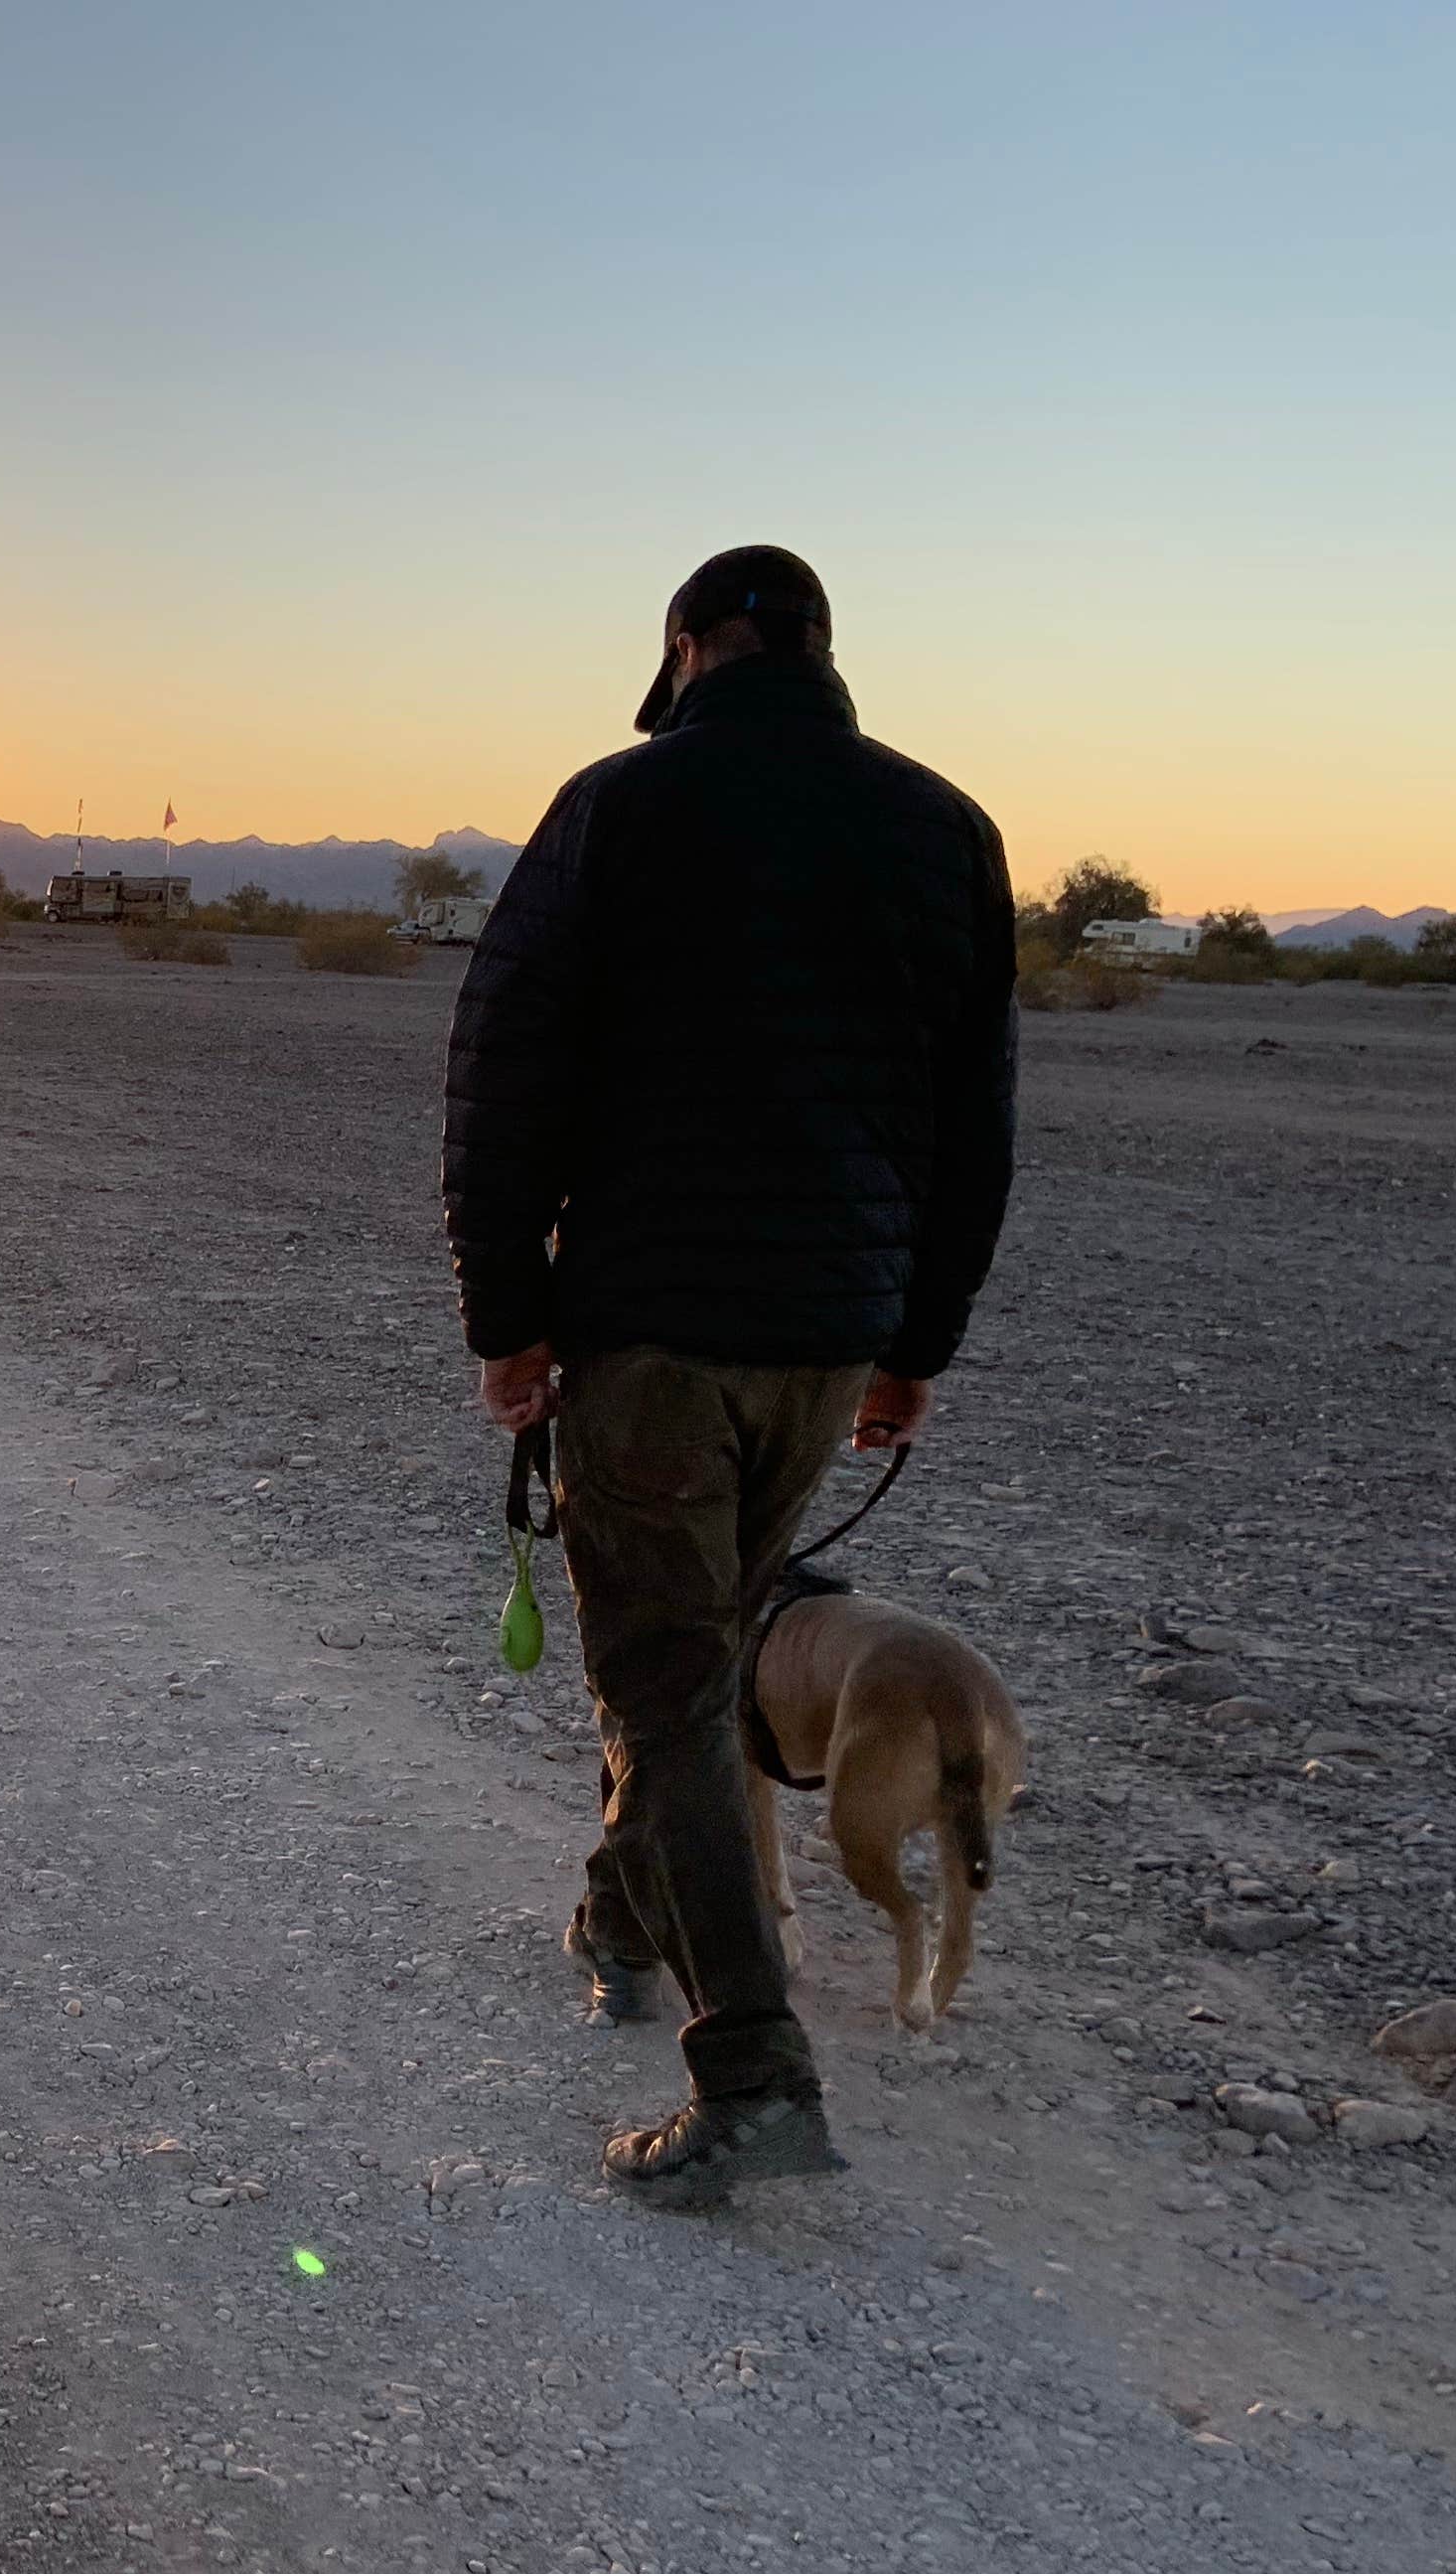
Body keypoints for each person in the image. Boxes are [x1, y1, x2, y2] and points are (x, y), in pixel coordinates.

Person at [440, 545, 1017, 2201]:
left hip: (649, 1335)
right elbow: (975, 1123)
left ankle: (756, 2076)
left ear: (687, 651)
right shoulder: (944, 827)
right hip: (826, 1338)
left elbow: (503, 1069)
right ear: (825, 651)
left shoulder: (619, 808)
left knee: (672, 1686)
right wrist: (917, 1343)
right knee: (691, 1666)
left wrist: (508, 1320)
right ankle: (622, 1924)